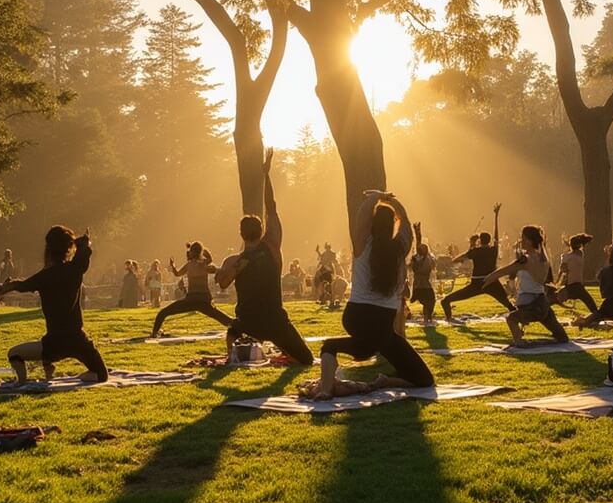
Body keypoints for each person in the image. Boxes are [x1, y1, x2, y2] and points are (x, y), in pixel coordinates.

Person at [301, 190, 434, 400]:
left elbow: (360, 219)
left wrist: (374, 197)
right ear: (393, 225)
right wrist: (392, 201)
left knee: (332, 346)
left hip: (357, 320)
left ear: (372, 225)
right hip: (382, 328)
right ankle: (337, 387)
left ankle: (331, 389)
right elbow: (406, 223)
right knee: (425, 380)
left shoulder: (362, 245)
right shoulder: (401, 248)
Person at [216, 149, 313, 364]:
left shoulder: (234, 260)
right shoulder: (271, 247)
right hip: (273, 322)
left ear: (240, 233)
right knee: (306, 359)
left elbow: (222, 283)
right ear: (262, 231)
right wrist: (266, 175)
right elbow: (271, 207)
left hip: (247, 323)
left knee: (233, 330)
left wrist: (230, 270)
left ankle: (232, 354)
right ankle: (239, 353)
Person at [0, 226, 108, 384]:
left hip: (55, 343)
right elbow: (84, 251)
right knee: (101, 376)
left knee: (14, 354)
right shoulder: (75, 269)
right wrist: (82, 241)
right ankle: (47, 366)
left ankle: (22, 383)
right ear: (67, 248)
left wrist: (3, 289)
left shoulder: (45, 276)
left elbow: (22, 285)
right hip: (79, 339)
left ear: (49, 249)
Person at [482, 226, 569, 345]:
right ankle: (521, 341)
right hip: (542, 303)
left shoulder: (526, 259)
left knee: (511, 319)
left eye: (522, 238)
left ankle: (519, 342)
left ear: (529, 241)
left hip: (533, 306)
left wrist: (487, 279)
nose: (520, 241)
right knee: (563, 338)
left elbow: (506, 269)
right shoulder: (542, 257)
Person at [441, 203, 514, 320]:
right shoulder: (493, 250)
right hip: (492, 282)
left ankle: (449, 319)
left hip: (476, 284)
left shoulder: (475, 251)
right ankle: (521, 320)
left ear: (480, 240)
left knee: (445, 301)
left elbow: (456, 260)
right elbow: (496, 236)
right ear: (489, 241)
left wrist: (471, 246)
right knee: (509, 305)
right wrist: (496, 216)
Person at [150, 242, 232, 337]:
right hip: (203, 299)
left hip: (192, 299)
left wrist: (173, 266)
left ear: (192, 253)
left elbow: (177, 273)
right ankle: (239, 327)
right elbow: (209, 257)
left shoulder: (191, 264)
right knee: (223, 318)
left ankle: (154, 333)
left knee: (163, 312)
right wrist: (201, 249)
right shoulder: (204, 263)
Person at [556, 234, 598, 313]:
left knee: (555, 299)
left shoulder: (566, 256)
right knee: (591, 305)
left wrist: (557, 282)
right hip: (578, 286)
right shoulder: (580, 254)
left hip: (570, 286)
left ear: (570, 245)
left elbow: (562, 270)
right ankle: (597, 315)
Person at [409, 221, 437, 324]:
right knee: (429, 301)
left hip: (423, 285)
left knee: (430, 301)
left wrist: (418, 232)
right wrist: (417, 233)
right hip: (420, 285)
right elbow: (418, 244)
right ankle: (427, 319)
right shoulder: (418, 258)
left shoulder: (424, 258)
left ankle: (428, 318)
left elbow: (419, 244)